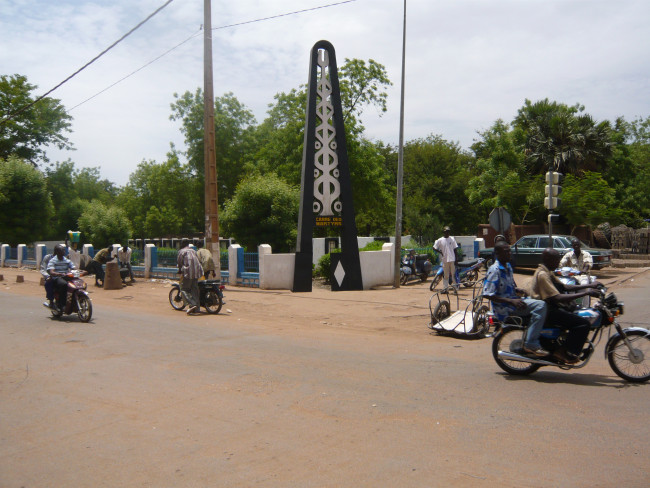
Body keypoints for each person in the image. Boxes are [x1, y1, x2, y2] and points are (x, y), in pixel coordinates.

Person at [527, 248, 602, 364]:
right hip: (547, 310)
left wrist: (590, 286)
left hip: (551, 307)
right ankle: (563, 351)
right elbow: (557, 297)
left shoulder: (548, 271)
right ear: (548, 260)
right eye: (556, 260)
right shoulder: (543, 274)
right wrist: (587, 292)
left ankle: (564, 344)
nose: (558, 263)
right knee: (583, 323)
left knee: (576, 312)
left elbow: (565, 287)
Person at [482, 241, 549, 357]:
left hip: (513, 303)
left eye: (510, 250)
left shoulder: (508, 267)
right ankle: (531, 343)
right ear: (497, 253)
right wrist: (511, 301)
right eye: (506, 251)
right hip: (505, 308)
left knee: (541, 301)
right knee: (540, 306)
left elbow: (507, 286)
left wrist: (518, 290)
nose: (509, 253)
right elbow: (487, 294)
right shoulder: (495, 270)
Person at [47, 244, 76, 312]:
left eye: (64, 250)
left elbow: (73, 267)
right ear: (57, 252)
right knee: (64, 284)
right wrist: (58, 274)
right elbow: (51, 271)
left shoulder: (66, 260)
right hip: (57, 278)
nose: (63, 251)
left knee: (78, 283)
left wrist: (79, 270)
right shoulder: (53, 260)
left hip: (66, 276)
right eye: (61, 250)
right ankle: (62, 304)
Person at [177, 239, 203, 314]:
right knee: (194, 289)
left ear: (183, 244)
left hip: (188, 272)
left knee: (184, 289)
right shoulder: (193, 251)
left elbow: (179, 262)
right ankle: (197, 308)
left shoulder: (182, 251)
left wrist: (179, 269)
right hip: (197, 272)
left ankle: (192, 304)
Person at [434, 226, 459, 292]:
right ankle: (445, 289)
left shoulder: (452, 239)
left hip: (452, 259)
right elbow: (434, 247)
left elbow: (455, 249)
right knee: (446, 276)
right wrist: (440, 252)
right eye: (446, 231)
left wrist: (456, 259)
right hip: (445, 260)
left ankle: (455, 289)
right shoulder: (440, 240)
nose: (447, 233)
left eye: (448, 231)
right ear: (444, 232)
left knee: (453, 275)